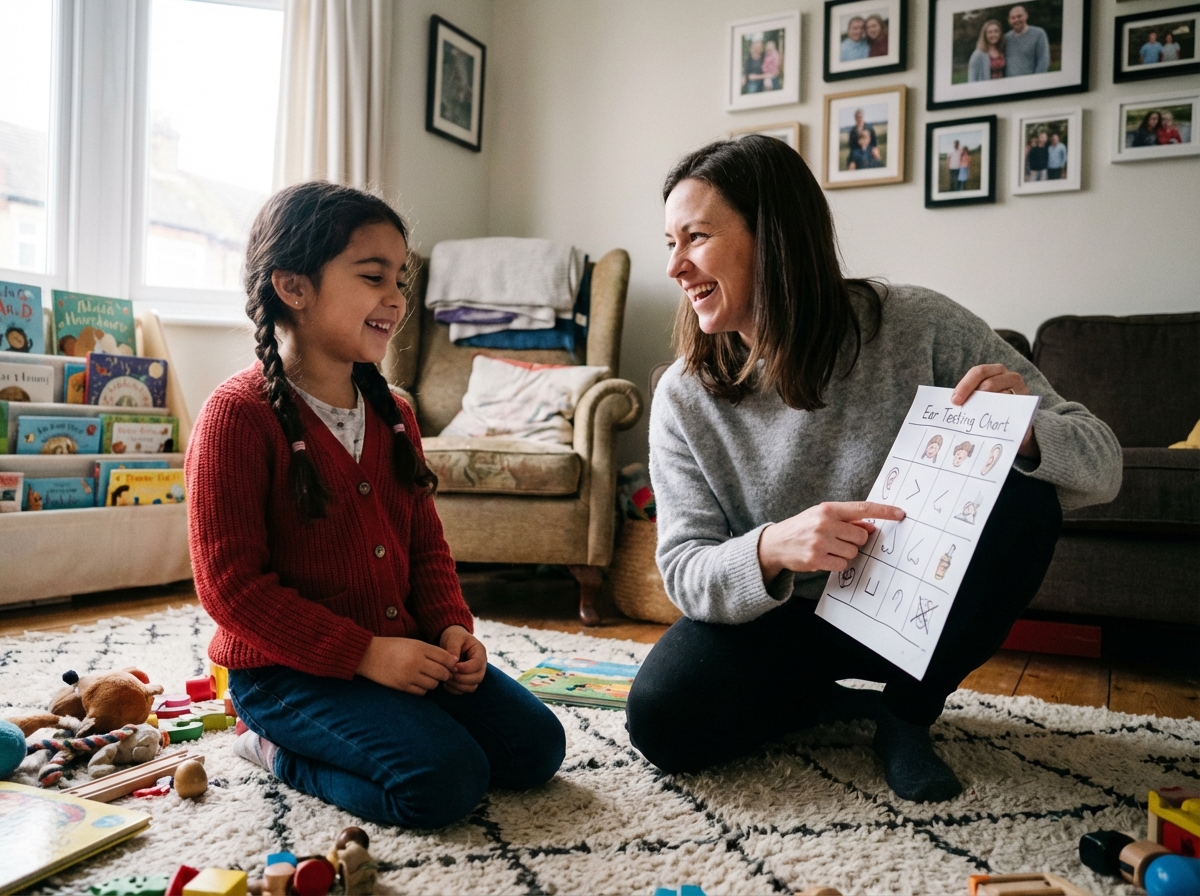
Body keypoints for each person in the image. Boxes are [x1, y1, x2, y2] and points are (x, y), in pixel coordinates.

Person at [626, 136, 1120, 804]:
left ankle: (906, 715)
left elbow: (1102, 463)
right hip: (780, 625)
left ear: (773, 237)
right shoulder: (686, 395)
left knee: (1025, 496)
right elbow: (684, 569)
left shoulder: (919, 324)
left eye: (696, 238)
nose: (676, 267)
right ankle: (818, 701)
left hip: (913, 615)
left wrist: (1025, 432)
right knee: (662, 723)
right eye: (669, 242)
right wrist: (773, 547)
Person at [185, 181, 566, 829]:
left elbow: (423, 539)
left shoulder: (394, 414)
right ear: (293, 287)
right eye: (372, 276)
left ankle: (397, 715)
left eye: (400, 279)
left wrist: (451, 626)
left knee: (536, 749)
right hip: (287, 673)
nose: (395, 299)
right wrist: (365, 654)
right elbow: (233, 592)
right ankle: (275, 749)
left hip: (402, 649)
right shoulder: (237, 416)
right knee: (444, 784)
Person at [1004, 5, 1049, 77]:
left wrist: (1037, 81)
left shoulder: (1038, 33)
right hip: (1010, 84)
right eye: (1013, 18)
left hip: (1031, 83)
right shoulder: (1006, 38)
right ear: (1009, 20)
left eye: (1019, 16)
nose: (1016, 20)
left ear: (1026, 16)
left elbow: (1043, 60)